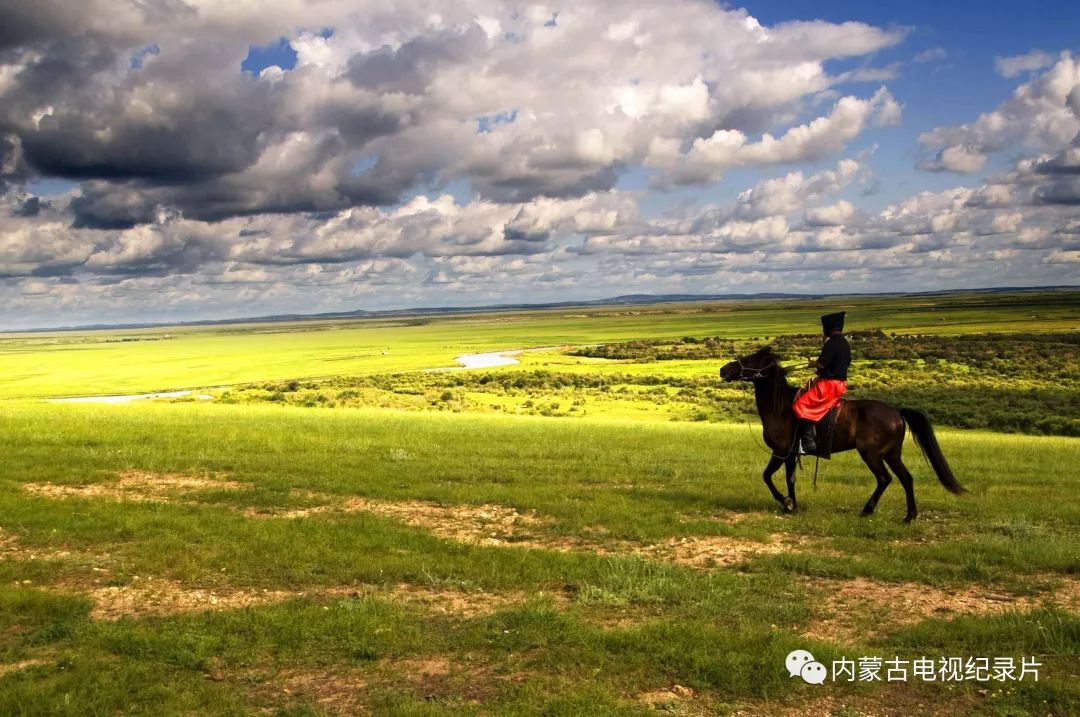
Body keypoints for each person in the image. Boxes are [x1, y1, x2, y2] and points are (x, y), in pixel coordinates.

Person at [794, 312, 851, 454]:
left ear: (829, 327)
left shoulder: (831, 343)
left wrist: (815, 364)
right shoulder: (844, 342)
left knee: (800, 405)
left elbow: (821, 364)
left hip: (828, 385)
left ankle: (808, 442)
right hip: (840, 385)